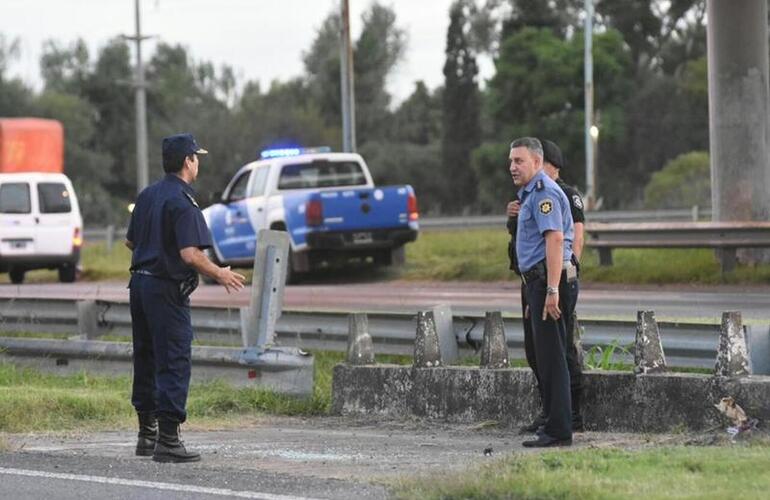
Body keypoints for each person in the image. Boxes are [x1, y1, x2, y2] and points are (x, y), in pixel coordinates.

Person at [126, 133, 246, 463]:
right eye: (196, 157)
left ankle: (146, 436)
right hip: (165, 289)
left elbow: (130, 242)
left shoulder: (148, 195)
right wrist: (220, 273)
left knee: (147, 357)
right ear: (187, 162)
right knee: (174, 359)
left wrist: (154, 251)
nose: (198, 162)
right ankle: (168, 441)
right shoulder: (184, 201)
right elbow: (190, 253)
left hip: (139, 285)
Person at [507, 140, 585, 434]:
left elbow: (554, 240)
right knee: (543, 356)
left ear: (538, 163)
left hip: (548, 281)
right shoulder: (529, 195)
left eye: (519, 161)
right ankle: (553, 421)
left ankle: (561, 428)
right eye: (511, 161)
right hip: (537, 283)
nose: (512, 167)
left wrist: (551, 290)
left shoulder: (544, 194)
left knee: (554, 357)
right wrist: (533, 291)